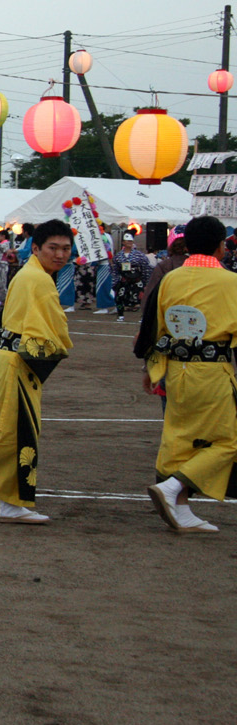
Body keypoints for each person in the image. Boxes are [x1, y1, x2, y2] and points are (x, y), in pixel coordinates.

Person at [0, 218, 74, 525]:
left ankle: (11, 502)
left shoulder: (31, 274)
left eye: (65, 248)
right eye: (53, 248)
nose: (60, 254)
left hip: (8, 357)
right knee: (13, 431)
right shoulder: (36, 278)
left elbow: (4, 319)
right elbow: (48, 328)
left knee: (17, 430)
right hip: (16, 360)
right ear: (36, 248)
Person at [138, 216, 237, 533]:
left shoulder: (171, 279)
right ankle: (173, 488)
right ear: (221, 247)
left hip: (175, 370)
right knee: (227, 442)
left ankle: (180, 508)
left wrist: (151, 367)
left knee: (179, 438)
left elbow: (152, 327)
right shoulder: (231, 283)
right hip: (211, 371)